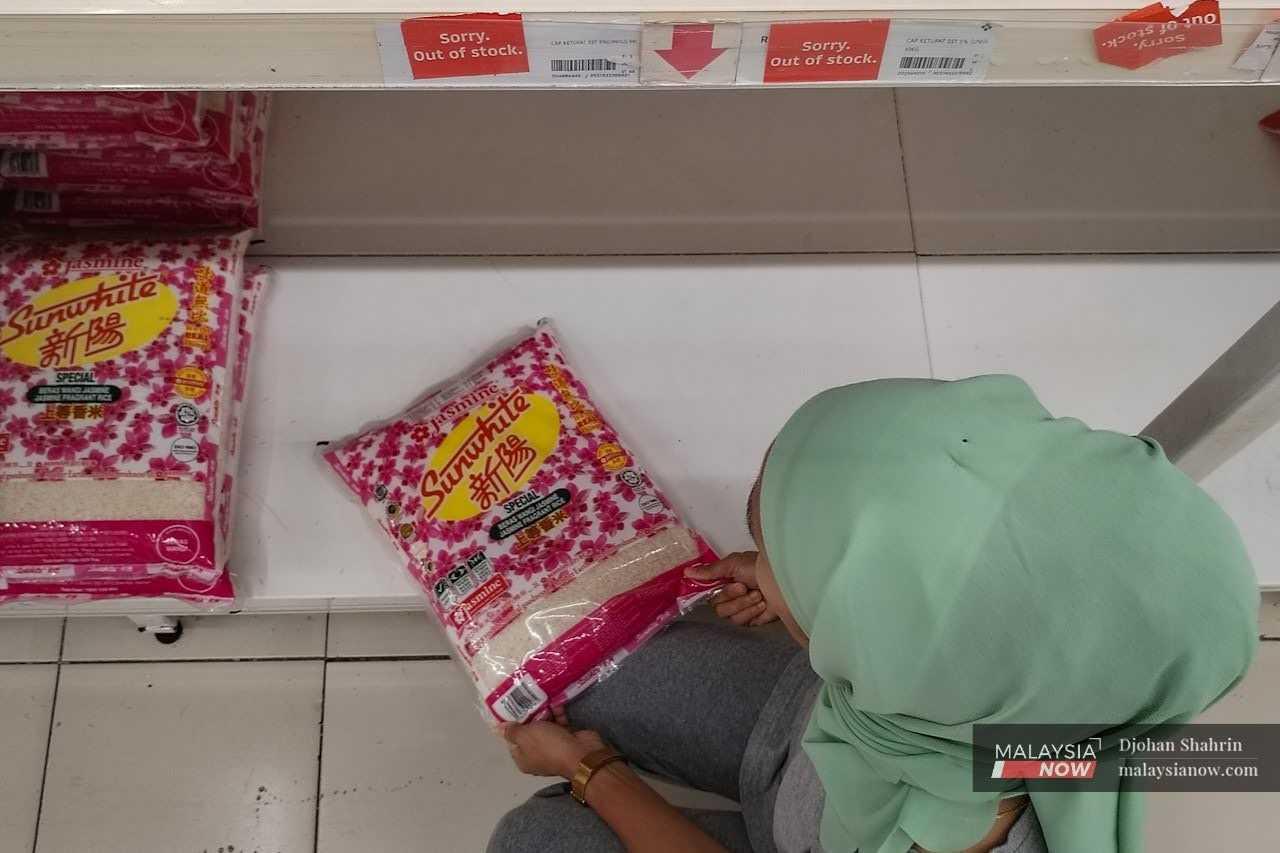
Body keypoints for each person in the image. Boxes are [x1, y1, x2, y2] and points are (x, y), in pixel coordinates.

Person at [487, 376, 1259, 853]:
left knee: (532, 840)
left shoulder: (959, 827)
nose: (762, 563)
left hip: (793, 827)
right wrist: (787, 584)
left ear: (888, 656)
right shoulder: (1012, 702)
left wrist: (592, 772)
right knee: (579, 662)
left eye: (800, 576)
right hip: (804, 725)